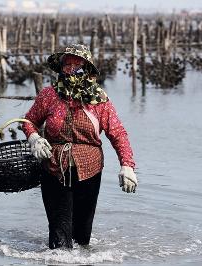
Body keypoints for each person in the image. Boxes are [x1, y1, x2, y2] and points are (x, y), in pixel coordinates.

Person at [22, 44, 137, 249]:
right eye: (67, 64)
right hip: (54, 167)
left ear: (88, 69)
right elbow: (28, 121)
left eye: (78, 65)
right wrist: (34, 139)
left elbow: (118, 133)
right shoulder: (49, 95)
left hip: (90, 170)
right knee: (59, 239)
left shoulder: (100, 101)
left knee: (82, 239)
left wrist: (127, 165)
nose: (72, 69)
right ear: (61, 67)